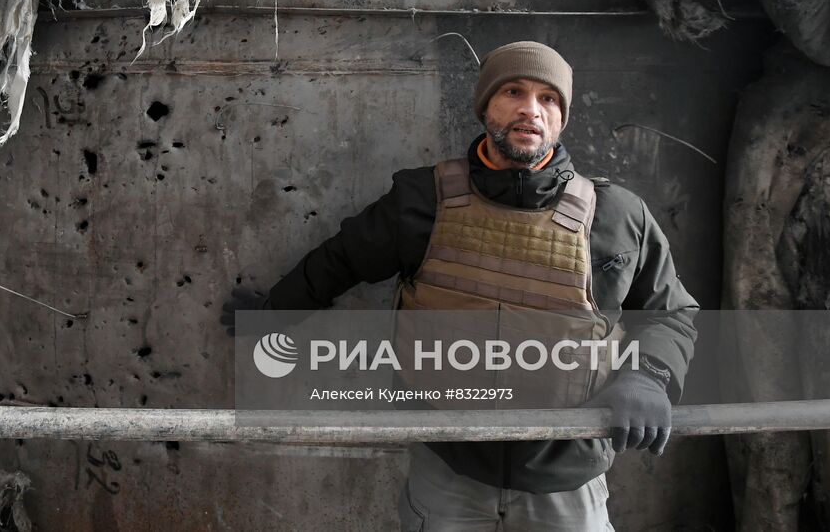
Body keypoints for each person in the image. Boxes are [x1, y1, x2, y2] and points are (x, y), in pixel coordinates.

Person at [222, 40, 699, 531]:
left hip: (567, 476)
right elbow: (340, 261)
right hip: (448, 466)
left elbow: (671, 312)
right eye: (513, 90)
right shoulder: (422, 199)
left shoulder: (618, 215)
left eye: (548, 98)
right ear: (485, 105)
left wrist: (650, 376)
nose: (530, 109)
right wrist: (272, 314)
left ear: (562, 116)